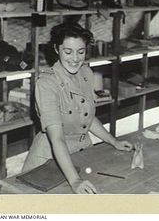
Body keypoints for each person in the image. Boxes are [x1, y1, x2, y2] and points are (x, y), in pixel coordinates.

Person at [22, 23, 133, 194]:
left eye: (80, 52)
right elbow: (57, 138)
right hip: (50, 160)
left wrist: (113, 141)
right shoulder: (46, 83)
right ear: (56, 49)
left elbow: (87, 119)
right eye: (68, 52)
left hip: (81, 154)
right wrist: (74, 180)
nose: (75, 58)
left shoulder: (86, 74)